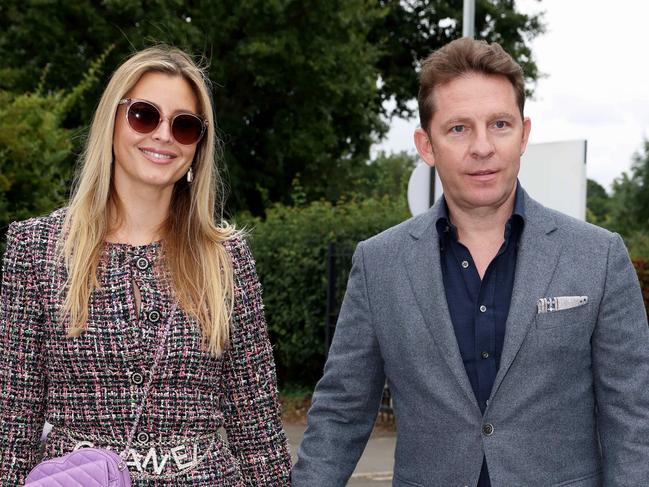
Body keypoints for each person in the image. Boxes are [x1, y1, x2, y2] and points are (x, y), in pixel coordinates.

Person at [292, 37, 649, 486]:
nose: (483, 146)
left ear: (524, 133)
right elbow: (341, 412)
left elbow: (634, 419)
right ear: (426, 145)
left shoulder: (598, 256)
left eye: (500, 124)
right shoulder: (379, 264)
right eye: (459, 128)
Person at [0, 46, 291, 485]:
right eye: (144, 115)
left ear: (199, 144)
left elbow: (258, 428)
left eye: (185, 125)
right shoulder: (38, 248)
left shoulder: (226, 258)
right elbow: (12, 421)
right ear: (112, 122)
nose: (163, 135)